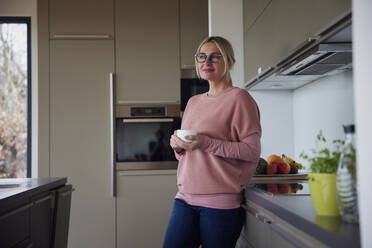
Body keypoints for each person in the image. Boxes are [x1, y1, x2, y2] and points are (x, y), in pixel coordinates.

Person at [163, 36, 262, 248]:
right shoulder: (193, 102)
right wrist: (178, 147)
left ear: (230, 63)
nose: (206, 62)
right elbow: (190, 151)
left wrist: (205, 143)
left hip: (220, 203)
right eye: (202, 57)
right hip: (185, 198)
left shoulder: (240, 99)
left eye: (215, 57)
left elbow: (252, 151)